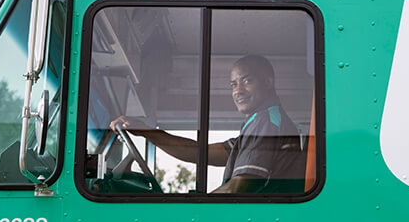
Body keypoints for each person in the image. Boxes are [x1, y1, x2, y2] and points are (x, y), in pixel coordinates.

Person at [110, 55, 305, 193]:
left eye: (247, 81)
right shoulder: (259, 122)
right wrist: (147, 132)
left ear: (268, 82)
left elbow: (240, 188)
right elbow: (200, 152)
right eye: (233, 84)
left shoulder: (267, 122)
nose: (238, 91)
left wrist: (192, 212)